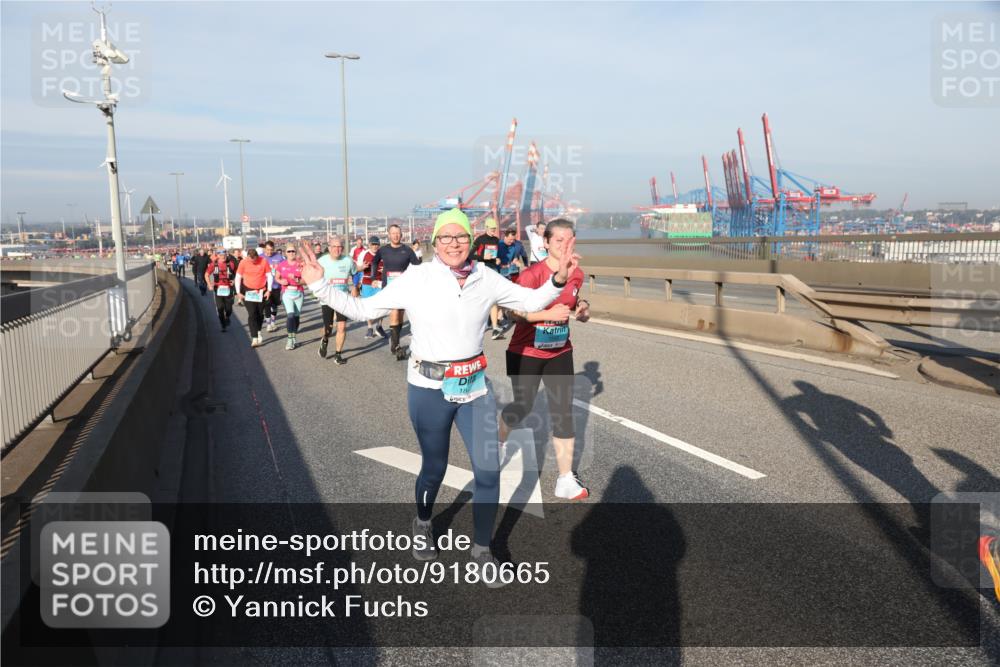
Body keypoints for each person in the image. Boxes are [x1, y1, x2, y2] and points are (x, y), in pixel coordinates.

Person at [300, 207, 579, 582]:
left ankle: (482, 550)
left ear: (470, 241)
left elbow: (529, 301)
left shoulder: (485, 277)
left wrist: (559, 278)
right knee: (434, 468)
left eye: (461, 237)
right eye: (445, 237)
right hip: (429, 388)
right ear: (434, 242)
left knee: (488, 469)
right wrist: (320, 286)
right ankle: (423, 521)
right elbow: (362, 308)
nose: (454, 244)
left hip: (473, 387)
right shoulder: (417, 278)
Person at [498, 218, 591, 500]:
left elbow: (575, 299)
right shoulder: (532, 275)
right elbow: (512, 312)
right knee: (522, 406)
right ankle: (499, 443)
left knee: (563, 413)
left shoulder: (577, 273)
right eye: (558, 240)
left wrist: (584, 308)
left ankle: (565, 479)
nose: (564, 246)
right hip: (525, 351)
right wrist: (545, 316)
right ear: (546, 242)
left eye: (569, 240)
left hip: (560, 350)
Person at [357, 224, 421, 359]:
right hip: (389, 287)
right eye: (393, 233)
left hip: (403, 288)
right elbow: (374, 263)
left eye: (398, 233)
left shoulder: (407, 250)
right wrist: (374, 278)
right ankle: (395, 344)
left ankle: (395, 342)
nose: (396, 235)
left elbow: (417, 267)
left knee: (400, 314)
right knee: (395, 312)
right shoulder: (384, 250)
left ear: (401, 235)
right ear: (389, 235)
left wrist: (415, 281)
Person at [317, 236, 356, 364]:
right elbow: (315, 277)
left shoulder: (348, 261)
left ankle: (338, 354)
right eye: (334, 247)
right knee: (328, 328)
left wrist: (356, 287)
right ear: (329, 248)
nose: (337, 249)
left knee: (342, 327)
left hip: (342, 298)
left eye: (340, 247)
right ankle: (325, 339)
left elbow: (355, 273)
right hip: (327, 298)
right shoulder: (322, 261)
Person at [471, 218, 504, 339]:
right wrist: (482, 256)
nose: (493, 231)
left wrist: (497, 259)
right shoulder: (480, 239)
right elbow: (469, 255)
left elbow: (497, 255)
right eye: (491, 229)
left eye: (494, 229)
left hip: (493, 269)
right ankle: (479, 324)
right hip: (482, 269)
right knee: (482, 298)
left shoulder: (496, 240)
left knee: (493, 297)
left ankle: (495, 327)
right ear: (486, 228)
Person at [235, 248, 273, 347]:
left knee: (260, 314)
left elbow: (269, 275)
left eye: (255, 260)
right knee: (252, 314)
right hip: (248, 291)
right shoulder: (243, 262)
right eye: (251, 260)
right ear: (247, 257)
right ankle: (254, 338)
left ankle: (259, 331)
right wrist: (238, 292)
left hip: (261, 291)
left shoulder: (263, 261)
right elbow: (238, 277)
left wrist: (269, 290)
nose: (253, 262)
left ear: (257, 257)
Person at [274, 244, 306, 350]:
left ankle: (294, 336)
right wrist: (280, 281)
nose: (291, 253)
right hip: (287, 292)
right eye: (289, 251)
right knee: (290, 315)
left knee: (296, 317)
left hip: (299, 293)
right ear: (285, 253)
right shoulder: (281, 265)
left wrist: (297, 280)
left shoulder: (301, 265)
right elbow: (277, 277)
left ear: (295, 252)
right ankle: (289, 339)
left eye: (293, 251)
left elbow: (305, 280)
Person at [357, 236, 387, 340]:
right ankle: (370, 328)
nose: (375, 246)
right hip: (367, 283)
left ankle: (379, 326)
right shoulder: (364, 254)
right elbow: (356, 268)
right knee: (368, 307)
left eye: (377, 244)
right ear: (369, 244)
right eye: (373, 244)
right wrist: (362, 267)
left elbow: (389, 267)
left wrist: (385, 269)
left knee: (382, 306)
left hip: (379, 283)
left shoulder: (383, 254)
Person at [205, 247, 238, 331]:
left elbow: (238, 274)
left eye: (224, 255)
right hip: (218, 289)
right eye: (221, 255)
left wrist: (234, 281)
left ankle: (227, 316)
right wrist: (209, 284)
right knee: (220, 308)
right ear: (218, 255)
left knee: (229, 309)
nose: (223, 256)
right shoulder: (214, 264)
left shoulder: (231, 264)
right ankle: (223, 325)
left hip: (229, 288)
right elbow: (206, 274)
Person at [262, 241, 285, 332]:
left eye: (271, 250)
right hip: (264, 285)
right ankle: (268, 324)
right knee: (267, 304)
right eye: (267, 250)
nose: (269, 252)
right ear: (264, 249)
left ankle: (273, 322)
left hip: (276, 285)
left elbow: (284, 269)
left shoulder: (279, 257)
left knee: (274, 305)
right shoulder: (260, 257)